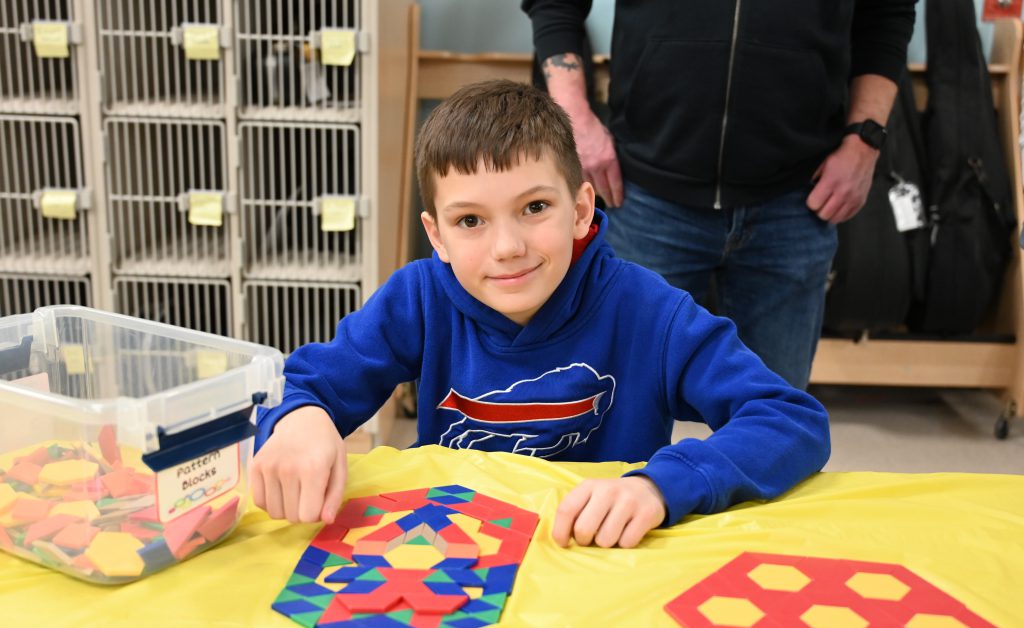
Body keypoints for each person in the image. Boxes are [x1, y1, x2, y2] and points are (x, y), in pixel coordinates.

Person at [252, 80, 830, 549]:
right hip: (456, 558)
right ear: (437, 237)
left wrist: (661, 485)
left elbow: (790, 420)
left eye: (533, 207)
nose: (507, 247)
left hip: (598, 561)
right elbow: (294, 387)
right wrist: (301, 418)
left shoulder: (650, 311)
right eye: (470, 221)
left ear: (580, 209)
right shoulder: (418, 298)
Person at [522, 0, 917, 389]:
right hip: (645, 195)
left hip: (795, 199)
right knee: (619, 407)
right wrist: (572, 117)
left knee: (773, 423)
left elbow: (886, 12)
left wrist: (865, 140)